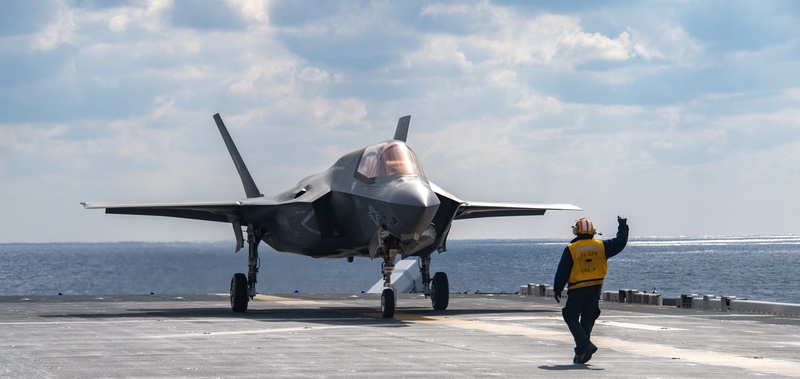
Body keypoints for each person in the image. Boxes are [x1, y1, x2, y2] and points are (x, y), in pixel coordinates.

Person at [553, 216, 629, 364]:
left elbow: (562, 270)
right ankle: (582, 351)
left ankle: (585, 345)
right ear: (592, 231)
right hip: (595, 288)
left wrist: (557, 288)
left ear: (577, 231)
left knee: (570, 316)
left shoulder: (571, 249)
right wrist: (623, 225)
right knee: (588, 318)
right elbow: (620, 242)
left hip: (577, 289)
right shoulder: (601, 246)